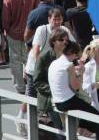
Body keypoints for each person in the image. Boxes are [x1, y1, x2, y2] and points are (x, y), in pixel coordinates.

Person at [21, 8, 74, 136]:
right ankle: (22, 120)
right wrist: (45, 65)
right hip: (35, 69)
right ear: (49, 19)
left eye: (59, 19)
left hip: (53, 71)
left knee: (51, 99)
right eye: (54, 19)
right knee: (31, 96)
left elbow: (73, 45)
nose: (57, 21)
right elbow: (35, 50)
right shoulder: (42, 29)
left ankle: (56, 131)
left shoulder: (64, 31)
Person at [48, 41, 99, 139]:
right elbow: (76, 87)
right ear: (71, 52)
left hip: (57, 101)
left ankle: (83, 130)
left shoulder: (54, 63)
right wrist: (81, 73)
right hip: (67, 102)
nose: (76, 58)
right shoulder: (68, 65)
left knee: (88, 117)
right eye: (76, 55)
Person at [2, 0, 39, 95]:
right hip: (30, 32)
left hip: (14, 33)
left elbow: (6, 19)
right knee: (29, 59)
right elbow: (36, 13)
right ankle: (31, 84)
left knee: (15, 61)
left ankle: (20, 87)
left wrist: (6, 31)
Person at [33, 28, 69, 137]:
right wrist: (54, 90)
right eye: (61, 40)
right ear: (53, 41)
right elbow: (37, 81)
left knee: (70, 129)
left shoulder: (68, 56)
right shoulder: (44, 57)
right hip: (50, 100)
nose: (64, 42)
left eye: (66, 40)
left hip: (67, 98)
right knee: (60, 131)